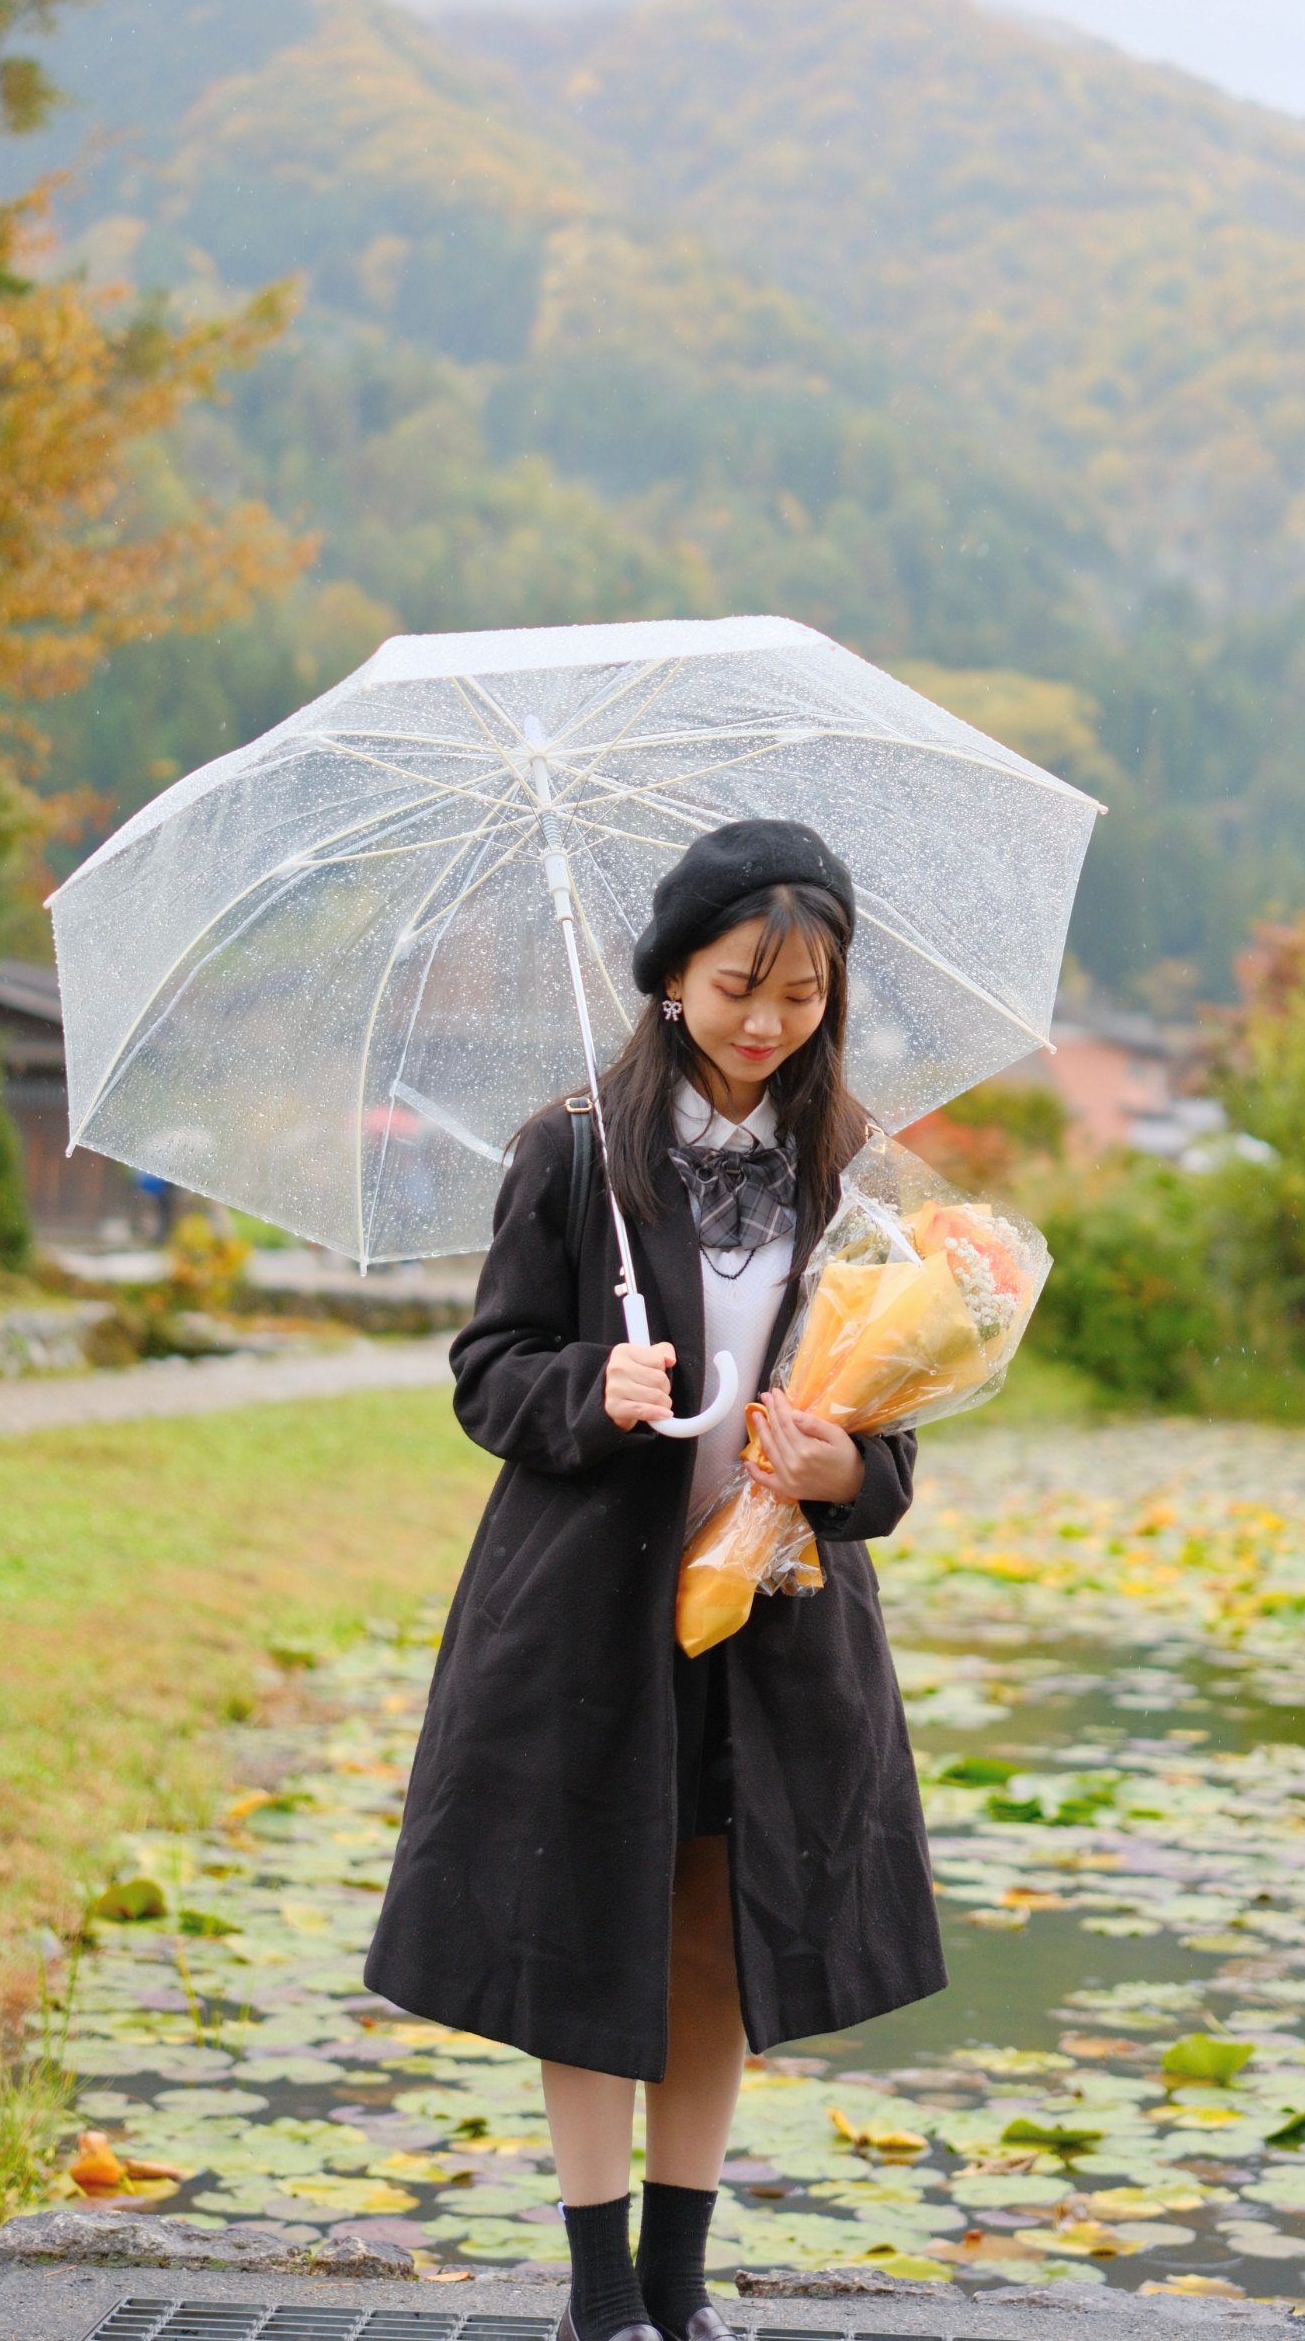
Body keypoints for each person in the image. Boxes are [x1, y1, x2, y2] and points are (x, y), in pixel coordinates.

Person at [364, 819, 944, 2341]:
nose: (769, 1021)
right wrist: (590, 1385)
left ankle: (680, 2294)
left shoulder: (849, 1167)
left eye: (805, 994)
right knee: (584, 1925)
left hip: (773, 1617)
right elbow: (487, 1375)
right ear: (671, 977)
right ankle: (598, 2296)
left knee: (711, 1928)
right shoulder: (570, 1151)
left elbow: (886, 1422)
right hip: (588, 1617)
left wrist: (850, 1477)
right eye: (742, 982)